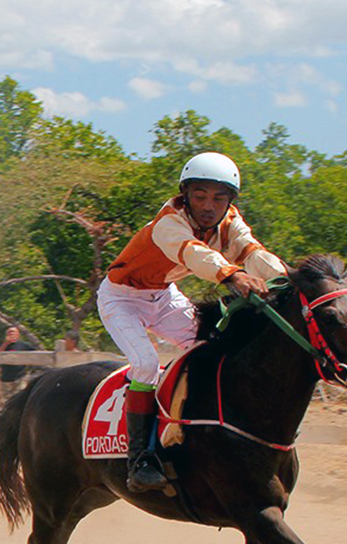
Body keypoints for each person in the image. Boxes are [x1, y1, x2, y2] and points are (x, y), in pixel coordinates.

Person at [96, 152, 287, 493]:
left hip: (163, 295)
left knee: (209, 347)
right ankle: (139, 459)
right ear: (186, 195)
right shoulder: (169, 221)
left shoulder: (230, 221)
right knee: (145, 364)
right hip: (121, 298)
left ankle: (199, 431)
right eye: (200, 196)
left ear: (230, 200)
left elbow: (253, 251)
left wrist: (289, 280)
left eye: (219, 197)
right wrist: (233, 276)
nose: (209, 206)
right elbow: (195, 254)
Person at [0, 326, 37, 398]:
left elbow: (37, 354)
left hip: (20, 376)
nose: (12, 334)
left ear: (18, 335)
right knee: (6, 400)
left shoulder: (24, 345)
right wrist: (5, 344)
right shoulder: (3, 345)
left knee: (20, 397)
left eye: (13, 332)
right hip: (6, 377)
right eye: (9, 332)